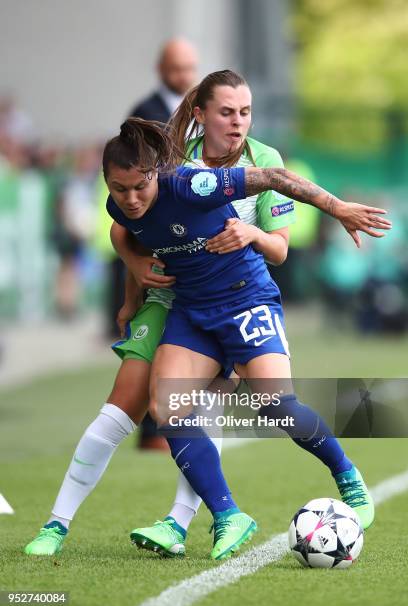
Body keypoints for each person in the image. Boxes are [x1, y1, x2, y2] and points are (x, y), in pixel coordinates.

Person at [23, 73, 390, 560]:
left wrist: (335, 206)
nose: (130, 198)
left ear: (155, 175)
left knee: (276, 406)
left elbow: (278, 183)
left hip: (246, 301)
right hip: (192, 311)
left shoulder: (193, 182)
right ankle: (227, 516)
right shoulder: (126, 194)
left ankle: (349, 478)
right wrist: (132, 292)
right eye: (120, 189)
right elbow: (126, 231)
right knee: (167, 409)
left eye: (244, 113)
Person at [128, 38, 199, 451]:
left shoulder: (200, 113)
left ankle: (169, 424)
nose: (183, 76)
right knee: (155, 333)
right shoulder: (146, 114)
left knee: (185, 338)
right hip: (157, 244)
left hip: (191, 241)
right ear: (160, 69)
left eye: (189, 68)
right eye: (176, 68)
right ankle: (153, 431)